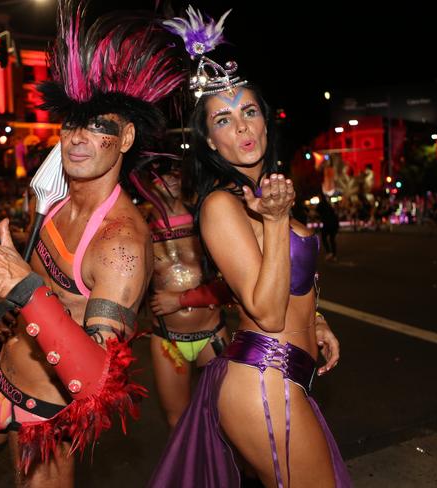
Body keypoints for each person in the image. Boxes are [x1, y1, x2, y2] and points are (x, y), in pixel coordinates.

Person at [0, 4, 184, 487]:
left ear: (125, 137)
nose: (78, 138)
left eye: (97, 126)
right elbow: (40, 288)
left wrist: (23, 290)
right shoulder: (53, 194)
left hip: (47, 419)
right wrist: (10, 310)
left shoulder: (121, 244)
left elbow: (100, 384)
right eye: (69, 125)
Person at [150, 7, 349, 487]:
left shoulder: (266, 192)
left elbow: (282, 280)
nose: (241, 127)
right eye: (223, 120)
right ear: (212, 143)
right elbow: (266, 310)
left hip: (290, 374)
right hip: (263, 377)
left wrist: (316, 319)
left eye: (249, 111)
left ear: (265, 121)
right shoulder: (222, 204)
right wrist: (278, 222)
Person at [130, 160, 231, 428]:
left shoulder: (205, 215)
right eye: (160, 175)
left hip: (212, 333)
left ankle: (230, 470)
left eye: (174, 172)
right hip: (167, 340)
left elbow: (235, 280)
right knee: (179, 421)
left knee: (227, 416)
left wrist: (182, 299)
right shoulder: (137, 227)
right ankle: (192, 471)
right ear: (146, 183)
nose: (170, 179)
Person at [316, 192, 339, 261]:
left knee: (324, 237)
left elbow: (317, 213)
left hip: (327, 224)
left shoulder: (321, 204)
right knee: (332, 239)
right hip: (334, 223)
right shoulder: (328, 204)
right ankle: (334, 255)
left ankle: (329, 252)